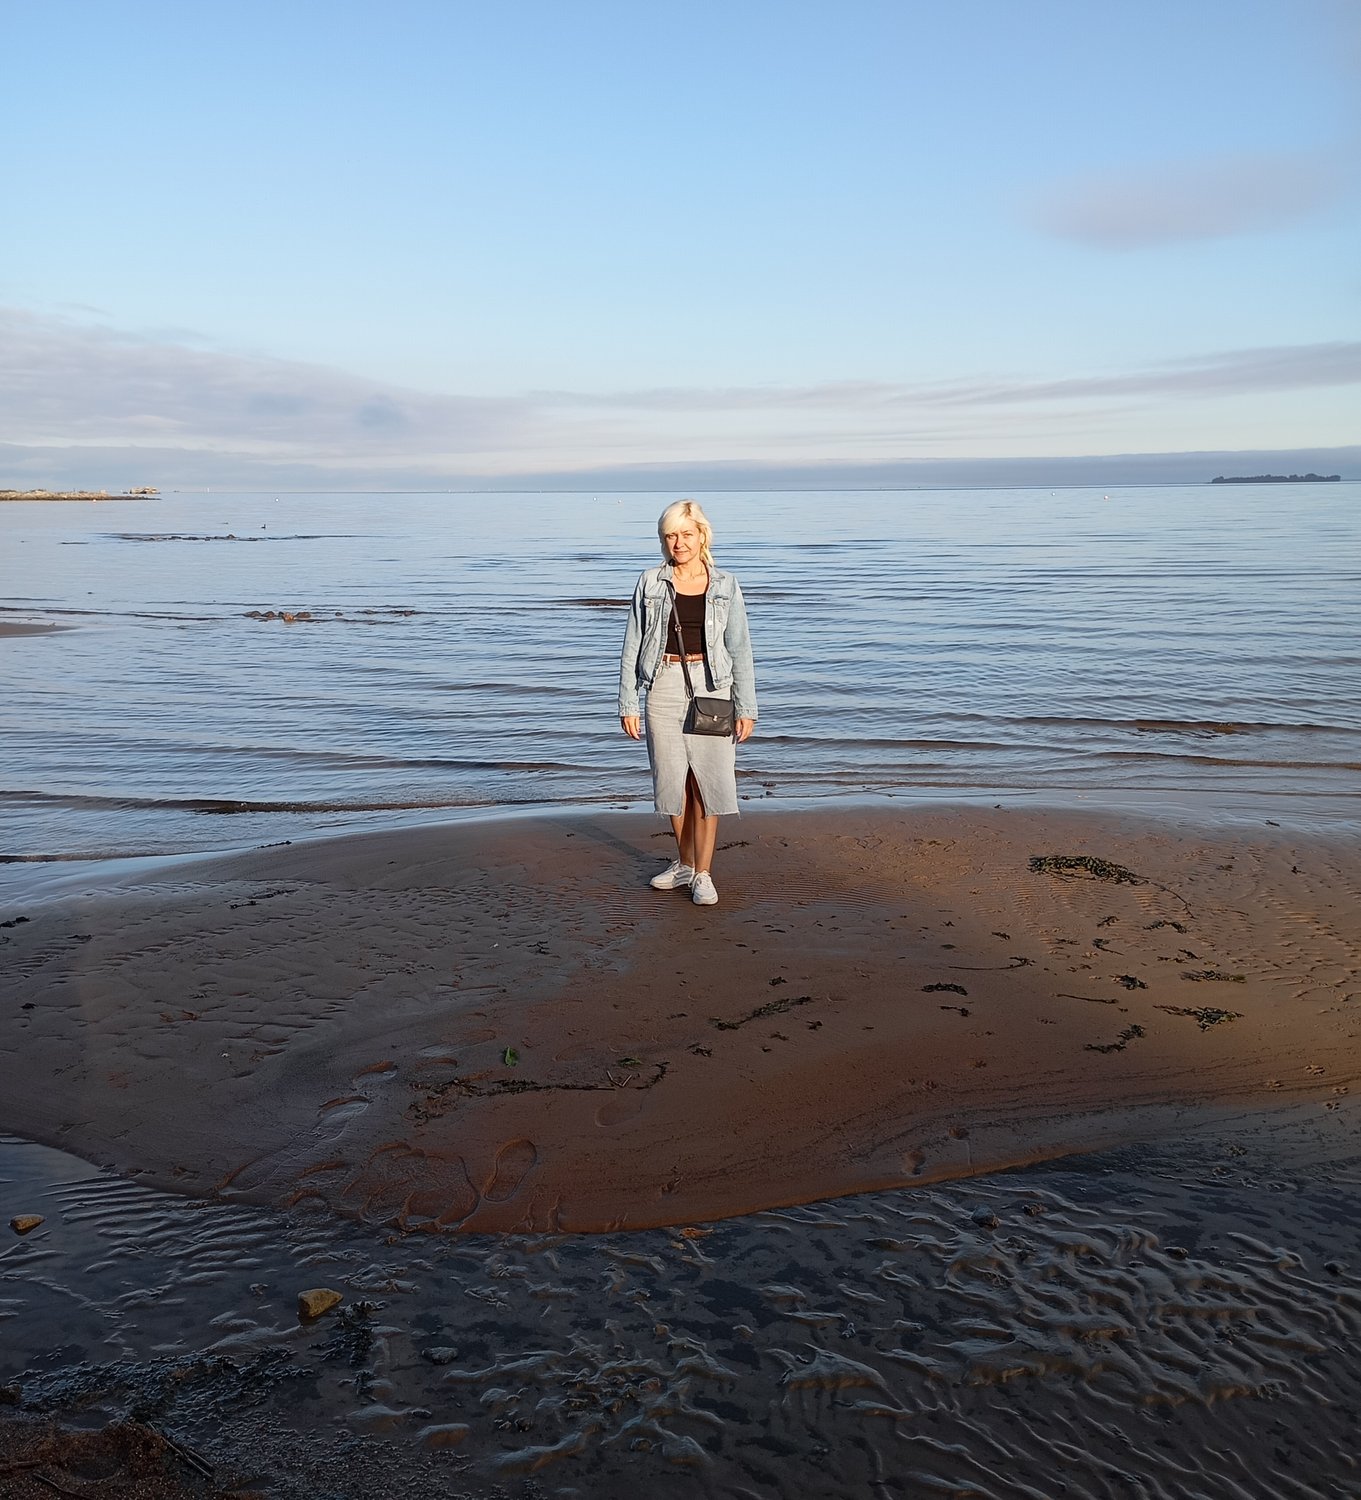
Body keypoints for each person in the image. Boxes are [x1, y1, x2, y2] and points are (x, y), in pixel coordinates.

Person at [619, 500, 757, 906]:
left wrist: (746, 707)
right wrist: (628, 701)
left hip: (713, 686)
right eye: (670, 536)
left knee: (709, 782)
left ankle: (703, 873)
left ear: (702, 536)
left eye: (685, 534)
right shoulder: (650, 582)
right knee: (672, 781)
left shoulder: (726, 584)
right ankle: (684, 864)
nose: (678, 543)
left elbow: (740, 648)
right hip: (662, 683)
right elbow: (632, 645)